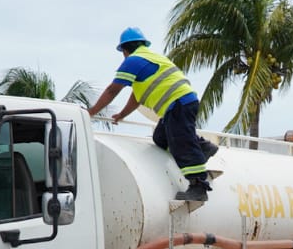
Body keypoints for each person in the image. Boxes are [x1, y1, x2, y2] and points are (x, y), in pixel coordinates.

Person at [86, 27, 218, 203]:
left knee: (181, 143)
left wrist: (91, 112)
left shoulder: (133, 61)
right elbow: (137, 97)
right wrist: (121, 114)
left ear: (125, 50)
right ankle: (203, 146)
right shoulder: (151, 58)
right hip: (182, 102)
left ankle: (198, 186)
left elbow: (112, 90)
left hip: (178, 103)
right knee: (161, 138)